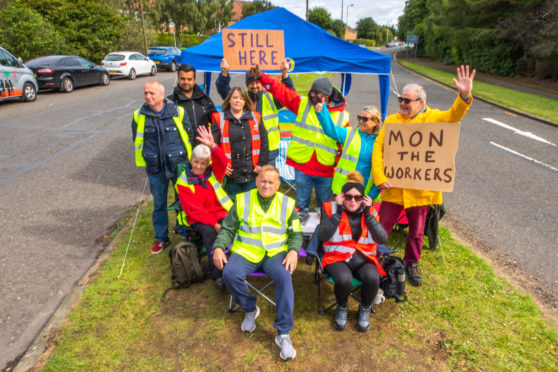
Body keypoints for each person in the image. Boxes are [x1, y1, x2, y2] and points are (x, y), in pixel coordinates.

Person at [372, 65, 476, 286]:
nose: (402, 103)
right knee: (382, 228)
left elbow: (453, 115)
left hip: (421, 192)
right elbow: (378, 150)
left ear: (421, 102)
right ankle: (374, 257)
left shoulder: (433, 118)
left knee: (417, 233)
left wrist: (464, 96)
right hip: (394, 189)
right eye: (401, 99)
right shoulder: (391, 121)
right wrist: (380, 177)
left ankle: (412, 263)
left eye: (407, 100)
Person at [212, 165, 303, 360]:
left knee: (284, 278)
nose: (266, 185)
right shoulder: (242, 200)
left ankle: (283, 333)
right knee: (229, 274)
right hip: (246, 251)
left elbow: (295, 232)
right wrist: (219, 247)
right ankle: (250, 308)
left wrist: (294, 251)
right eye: (263, 181)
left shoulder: (288, 203)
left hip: (275, 253)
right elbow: (227, 228)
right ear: (256, 181)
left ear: (278, 185)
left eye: (271, 182)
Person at [249, 65, 350, 221]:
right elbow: (281, 91)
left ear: (327, 96)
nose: (313, 95)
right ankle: (300, 231)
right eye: (312, 91)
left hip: (326, 167)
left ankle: (323, 233)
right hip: (302, 164)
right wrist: (262, 76)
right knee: (302, 204)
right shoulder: (302, 103)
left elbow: (344, 145)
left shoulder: (343, 116)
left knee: (325, 206)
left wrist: (339, 165)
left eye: (317, 93)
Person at [318, 171, 388, 332]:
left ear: (363, 198)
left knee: (372, 277)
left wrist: (369, 215)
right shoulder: (330, 208)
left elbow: (382, 238)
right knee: (344, 279)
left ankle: (364, 308)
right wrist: (337, 213)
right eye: (348, 197)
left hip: (363, 256)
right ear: (342, 196)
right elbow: (322, 236)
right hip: (337, 257)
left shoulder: (370, 212)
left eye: (357, 197)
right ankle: (342, 307)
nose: (352, 201)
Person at [132, 81, 194, 254]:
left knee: (183, 200)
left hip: (179, 164)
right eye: (145, 93)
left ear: (161, 95)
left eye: (151, 93)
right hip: (155, 168)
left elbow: (189, 135)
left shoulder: (178, 112)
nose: (148, 96)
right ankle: (161, 238)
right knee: (159, 204)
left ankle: (184, 231)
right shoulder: (139, 116)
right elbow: (137, 139)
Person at [175, 126, 232, 289]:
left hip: (220, 212)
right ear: (191, 160)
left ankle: (234, 267)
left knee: (232, 228)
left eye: (203, 163)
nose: (199, 166)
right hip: (198, 218)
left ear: (208, 164)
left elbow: (224, 162)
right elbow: (194, 209)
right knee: (209, 234)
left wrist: (213, 146)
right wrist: (214, 224)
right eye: (196, 162)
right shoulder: (183, 181)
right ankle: (217, 274)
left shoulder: (213, 172)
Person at [216, 58, 295, 165]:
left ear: (261, 82)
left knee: (267, 180)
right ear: (247, 84)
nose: (254, 86)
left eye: (257, 82)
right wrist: (224, 73)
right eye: (251, 83)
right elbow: (223, 89)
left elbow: (289, 95)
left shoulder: (271, 98)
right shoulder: (240, 99)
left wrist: (285, 74)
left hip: (270, 152)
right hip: (248, 150)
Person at [315, 101, 382, 199]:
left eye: (365, 119)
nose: (361, 121)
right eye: (360, 118)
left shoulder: (381, 141)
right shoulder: (349, 133)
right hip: (343, 190)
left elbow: (383, 171)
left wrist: (372, 196)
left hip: (365, 193)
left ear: (375, 122)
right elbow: (330, 130)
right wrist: (322, 112)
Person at [211, 87, 268, 199]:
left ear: (245, 101)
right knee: (233, 207)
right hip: (231, 175)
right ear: (229, 100)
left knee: (250, 206)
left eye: (241, 98)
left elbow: (264, 143)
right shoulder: (219, 119)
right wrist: (220, 165)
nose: (238, 101)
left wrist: (261, 163)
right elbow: (212, 146)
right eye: (235, 97)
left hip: (252, 173)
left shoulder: (255, 118)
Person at [167, 64, 217, 146]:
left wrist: (212, 141)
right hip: (180, 152)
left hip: (202, 150)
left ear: (194, 80)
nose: (186, 82)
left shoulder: (205, 100)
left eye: (189, 79)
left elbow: (216, 123)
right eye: (182, 79)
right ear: (178, 79)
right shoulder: (170, 102)